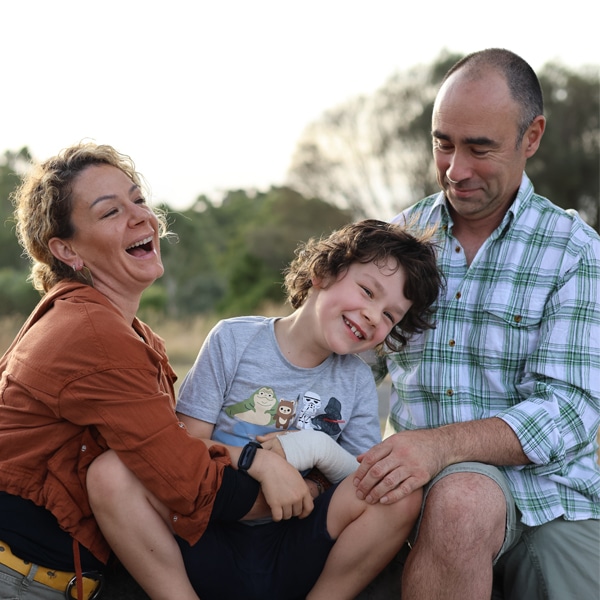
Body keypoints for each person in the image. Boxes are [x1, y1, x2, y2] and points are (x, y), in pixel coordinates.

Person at [0, 142, 317, 600]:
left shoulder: (130, 332)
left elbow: (162, 451)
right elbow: (184, 484)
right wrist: (302, 492)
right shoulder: (91, 334)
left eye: (139, 199)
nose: (141, 217)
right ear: (66, 249)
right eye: (110, 212)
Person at [353, 48, 600, 600]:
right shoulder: (397, 240)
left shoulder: (576, 252)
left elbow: (570, 409)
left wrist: (439, 447)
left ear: (531, 137)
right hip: (419, 489)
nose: (454, 170)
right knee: (460, 499)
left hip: (550, 497)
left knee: (465, 495)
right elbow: (345, 358)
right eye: (443, 143)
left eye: (479, 148)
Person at [89, 219, 444, 600]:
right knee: (110, 473)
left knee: (398, 494)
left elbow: (357, 477)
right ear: (322, 273)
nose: (375, 316)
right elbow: (184, 447)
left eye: (391, 315)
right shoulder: (234, 339)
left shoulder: (356, 380)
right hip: (207, 531)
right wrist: (260, 462)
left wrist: (316, 451)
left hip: (294, 540)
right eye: (367, 291)